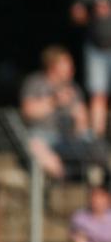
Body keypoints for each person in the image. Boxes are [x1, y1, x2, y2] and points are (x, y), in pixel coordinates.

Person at [20, 46, 103, 181]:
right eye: (66, 63)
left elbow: (83, 124)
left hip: (68, 139)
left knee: (92, 140)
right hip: (42, 136)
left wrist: (79, 118)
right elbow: (28, 111)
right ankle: (64, 176)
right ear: (53, 65)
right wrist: (54, 102)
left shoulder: (73, 89)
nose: (71, 67)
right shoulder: (35, 82)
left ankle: (94, 174)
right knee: (33, 145)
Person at [71, 0, 111, 138]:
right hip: (96, 49)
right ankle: (97, 137)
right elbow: (76, 16)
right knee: (98, 94)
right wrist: (91, 14)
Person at [71, 178, 111, 242]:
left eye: (100, 196)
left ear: (108, 198)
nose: (96, 200)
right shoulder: (80, 218)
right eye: (93, 196)